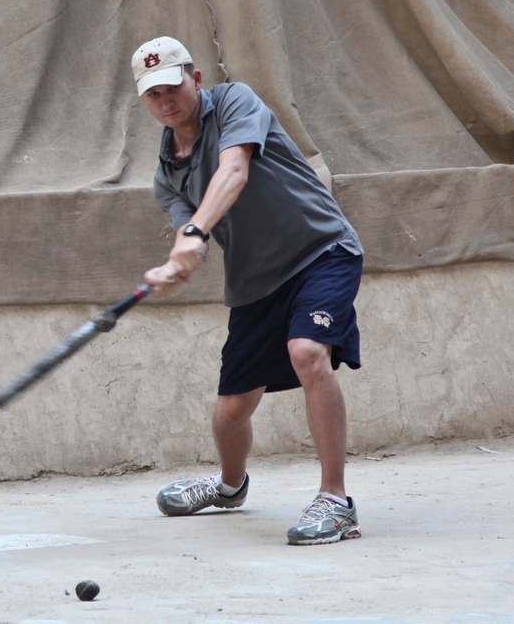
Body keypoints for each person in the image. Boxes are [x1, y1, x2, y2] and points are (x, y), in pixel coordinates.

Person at [131, 36, 365, 545]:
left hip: (319, 250)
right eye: (154, 95)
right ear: (144, 101)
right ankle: (230, 486)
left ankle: (336, 500)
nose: (167, 100)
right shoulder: (165, 175)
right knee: (229, 414)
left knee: (307, 352)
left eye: (174, 86)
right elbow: (187, 230)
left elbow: (233, 170)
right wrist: (174, 267)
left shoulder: (236, 100)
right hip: (256, 282)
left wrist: (193, 233)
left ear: (195, 79)